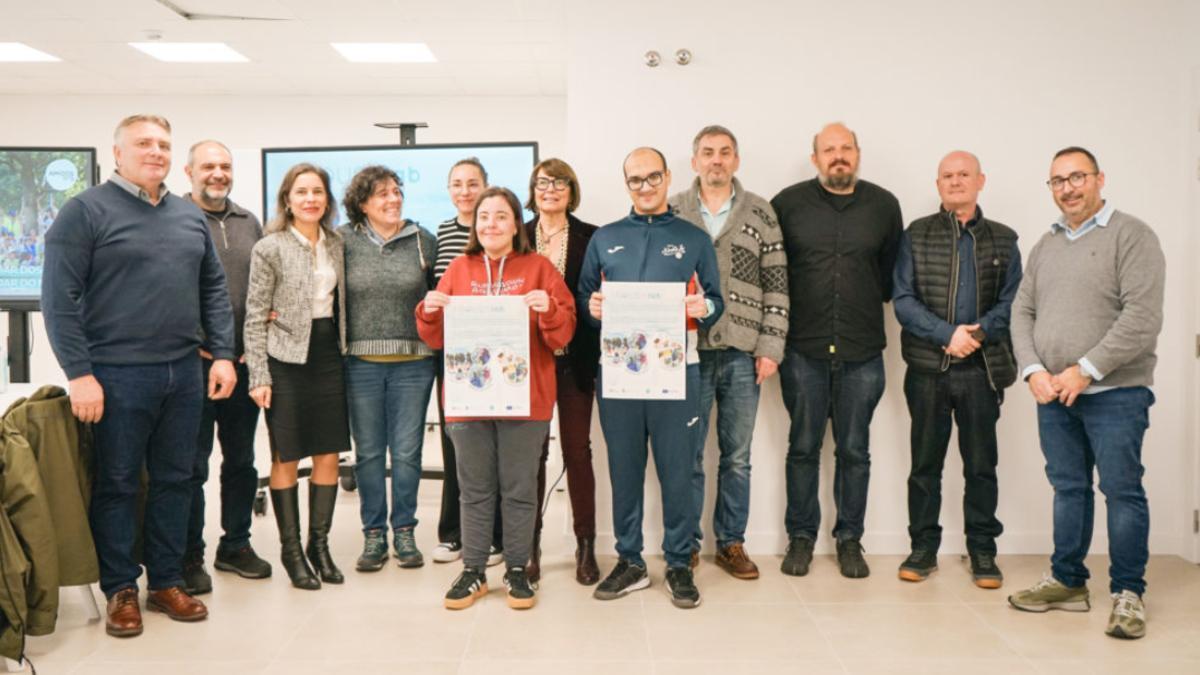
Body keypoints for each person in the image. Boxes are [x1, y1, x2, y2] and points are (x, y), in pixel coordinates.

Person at [42, 114, 236, 637]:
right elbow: (59, 301)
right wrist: (79, 374)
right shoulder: (84, 212)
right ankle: (121, 588)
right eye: (144, 143)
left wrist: (222, 354)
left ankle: (167, 581)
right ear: (118, 152)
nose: (156, 152)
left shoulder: (186, 215)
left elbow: (212, 291)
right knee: (120, 484)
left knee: (177, 480)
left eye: (164, 144)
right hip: (116, 376)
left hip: (183, 375)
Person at [1008, 147, 1165, 640]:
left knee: (1121, 491)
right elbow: (1022, 312)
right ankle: (1068, 582)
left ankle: (1128, 594)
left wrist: (1086, 370)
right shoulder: (1046, 244)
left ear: (1100, 179)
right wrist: (1034, 369)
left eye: (1077, 177)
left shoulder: (1132, 235)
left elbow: (1141, 318)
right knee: (1068, 489)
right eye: (1057, 181)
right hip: (1053, 393)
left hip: (1115, 392)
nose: (1068, 188)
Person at [417, 186, 576, 610]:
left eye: (501, 216)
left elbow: (564, 331)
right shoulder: (458, 269)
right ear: (475, 223)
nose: (491, 224)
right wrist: (429, 309)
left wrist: (550, 310)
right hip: (468, 400)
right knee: (474, 489)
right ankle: (473, 571)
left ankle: (518, 569)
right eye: (484, 216)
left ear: (514, 223)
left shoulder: (539, 268)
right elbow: (433, 335)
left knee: (520, 488)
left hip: (527, 400)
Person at [578, 147, 723, 609]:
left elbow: (717, 300)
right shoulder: (605, 238)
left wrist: (705, 308)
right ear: (626, 185)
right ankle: (631, 561)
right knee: (624, 471)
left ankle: (679, 563)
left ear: (667, 178)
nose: (644, 186)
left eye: (652, 177)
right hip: (619, 376)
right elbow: (586, 299)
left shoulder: (693, 238)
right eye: (635, 180)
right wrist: (593, 308)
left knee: (678, 472)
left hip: (678, 373)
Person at [771, 122, 903, 580]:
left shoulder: (884, 206)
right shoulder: (786, 204)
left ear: (858, 154)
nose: (838, 156)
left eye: (846, 148)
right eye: (829, 150)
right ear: (815, 159)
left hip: (862, 350)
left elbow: (890, 278)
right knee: (803, 448)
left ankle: (850, 540)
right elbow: (775, 274)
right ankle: (801, 539)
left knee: (854, 451)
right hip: (802, 351)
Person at [891, 151, 1021, 588]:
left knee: (981, 465)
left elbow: (1014, 302)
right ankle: (923, 547)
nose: (955, 181)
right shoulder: (917, 235)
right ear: (938, 184)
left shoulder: (1004, 239)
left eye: (964, 174)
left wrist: (978, 333)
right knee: (924, 464)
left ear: (981, 180)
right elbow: (904, 300)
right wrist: (948, 334)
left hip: (981, 371)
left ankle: (982, 550)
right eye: (947, 175)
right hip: (929, 368)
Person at [668, 125, 789, 580]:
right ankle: (689, 545)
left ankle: (732, 543)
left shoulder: (761, 213)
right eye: (707, 153)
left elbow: (778, 286)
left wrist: (771, 346)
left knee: (737, 456)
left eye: (724, 153)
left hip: (742, 353)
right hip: (687, 353)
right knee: (689, 455)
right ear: (694, 160)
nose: (716, 160)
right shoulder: (674, 209)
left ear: (736, 160)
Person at [244, 162, 350, 591]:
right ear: (287, 199)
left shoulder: (338, 243)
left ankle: (318, 546)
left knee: (328, 453)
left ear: (327, 200)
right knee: (286, 455)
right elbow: (254, 315)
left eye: (318, 192)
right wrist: (258, 374)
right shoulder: (269, 248)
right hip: (285, 358)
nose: (310, 199)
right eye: (302, 192)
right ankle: (291, 552)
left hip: (328, 353)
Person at [181, 139, 272, 595]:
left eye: (225, 166)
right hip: (193, 366)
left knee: (241, 461)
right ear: (189, 171)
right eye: (208, 166)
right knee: (191, 465)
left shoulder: (247, 221)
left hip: (243, 362)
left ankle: (235, 545)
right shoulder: (175, 219)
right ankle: (188, 556)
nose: (217, 173)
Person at [338, 165, 438, 572]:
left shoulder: (422, 242)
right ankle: (374, 535)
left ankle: (405, 532)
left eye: (397, 192)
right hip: (360, 362)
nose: (393, 199)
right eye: (382, 194)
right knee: (369, 454)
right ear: (362, 204)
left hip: (414, 364)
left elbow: (438, 297)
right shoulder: (341, 241)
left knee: (409, 452)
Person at [522, 158, 601, 585]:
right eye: (542, 182)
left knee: (577, 451)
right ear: (532, 190)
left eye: (560, 183)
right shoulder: (516, 234)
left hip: (576, 359)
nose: (550, 189)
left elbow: (598, 294)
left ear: (572, 190)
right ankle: (529, 546)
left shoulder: (593, 236)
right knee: (532, 454)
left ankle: (585, 546)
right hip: (526, 362)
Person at [430, 157, 504, 566]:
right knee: (454, 444)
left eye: (473, 183)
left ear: (486, 186)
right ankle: (453, 533)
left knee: (492, 445)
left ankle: (494, 535)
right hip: (453, 355)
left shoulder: (504, 231)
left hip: (497, 354)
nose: (464, 191)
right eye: (456, 184)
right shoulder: (441, 233)